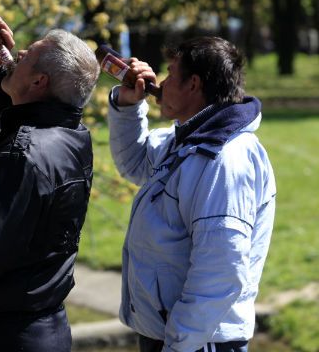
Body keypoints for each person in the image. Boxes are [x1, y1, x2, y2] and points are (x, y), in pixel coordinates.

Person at [0, 14, 100, 352]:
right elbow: (17, 121)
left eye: (27, 55)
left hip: (6, 336)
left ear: (39, 83)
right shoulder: (68, 135)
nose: (18, 51)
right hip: (42, 325)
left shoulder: (22, 156)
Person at [107, 36, 276, 352]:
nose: (163, 82)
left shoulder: (226, 159)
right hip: (175, 333)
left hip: (199, 340)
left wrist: (179, 344)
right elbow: (135, 162)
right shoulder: (188, 139)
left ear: (193, 84)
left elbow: (220, 270)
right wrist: (128, 105)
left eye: (171, 73)